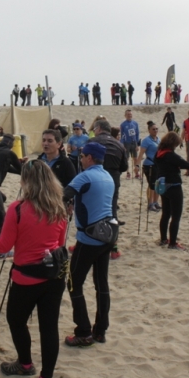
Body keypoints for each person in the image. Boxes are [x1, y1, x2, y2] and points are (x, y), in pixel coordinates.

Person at [0, 160, 68, 378]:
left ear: (26, 181)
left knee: (16, 320)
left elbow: (4, 245)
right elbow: (58, 245)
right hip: (54, 275)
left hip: (27, 277)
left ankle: (26, 364)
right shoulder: (59, 208)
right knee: (49, 328)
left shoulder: (18, 208)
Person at [62, 142, 115, 347]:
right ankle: (100, 331)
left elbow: (63, 195)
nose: (81, 158)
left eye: (83, 155)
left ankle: (83, 331)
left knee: (74, 283)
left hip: (89, 238)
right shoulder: (107, 176)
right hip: (108, 234)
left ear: (90, 158)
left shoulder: (84, 176)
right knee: (101, 283)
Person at [154, 131, 189, 249]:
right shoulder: (171, 155)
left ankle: (163, 239)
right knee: (176, 216)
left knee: (166, 214)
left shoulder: (158, 153)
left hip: (163, 186)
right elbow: (187, 165)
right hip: (174, 186)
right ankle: (172, 243)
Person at [88, 120, 128, 259]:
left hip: (94, 178)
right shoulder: (119, 144)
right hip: (112, 180)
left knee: (91, 210)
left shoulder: (92, 141)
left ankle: (89, 244)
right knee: (111, 211)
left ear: (98, 129)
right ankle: (114, 248)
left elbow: (84, 162)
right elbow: (124, 167)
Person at [137, 122, 161, 211]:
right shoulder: (146, 140)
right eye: (153, 129)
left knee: (158, 184)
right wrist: (137, 165)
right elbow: (141, 154)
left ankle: (155, 202)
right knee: (152, 185)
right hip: (149, 165)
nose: (155, 131)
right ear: (149, 130)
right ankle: (150, 204)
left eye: (156, 129)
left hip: (158, 165)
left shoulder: (158, 139)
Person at [120, 110, 141, 180]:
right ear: (125, 115)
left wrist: (138, 144)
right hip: (127, 143)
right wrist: (122, 144)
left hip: (134, 142)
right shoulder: (123, 124)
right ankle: (128, 173)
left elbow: (137, 134)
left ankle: (136, 173)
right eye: (128, 114)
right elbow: (121, 135)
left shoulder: (135, 123)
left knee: (135, 158)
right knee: (127, 158)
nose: (129, 116)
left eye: (130, 114)